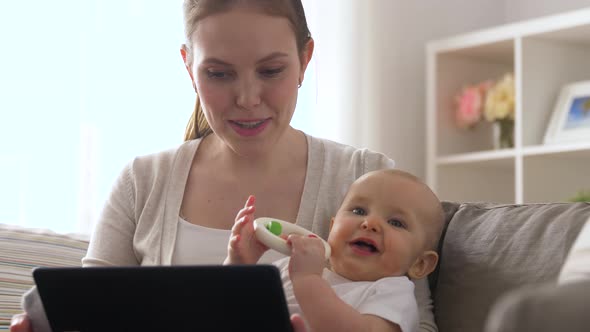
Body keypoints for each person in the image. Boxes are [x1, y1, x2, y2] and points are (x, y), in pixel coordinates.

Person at [10, 1, 438, 331]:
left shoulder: (368, 180)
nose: (248, 98)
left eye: (271, 70)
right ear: (189, 69)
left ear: (306, 59)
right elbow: (87, 310)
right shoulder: (143, 181)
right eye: (218, 74)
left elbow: (416, 321)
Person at [225, 169, 444, 332]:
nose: (370, 223)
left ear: (420, 264)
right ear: (332, 228)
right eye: (358, 210)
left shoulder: (392, 292)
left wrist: (308, 280)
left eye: (396, 223)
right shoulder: (289, 267)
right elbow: (229, 310)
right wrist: (239, 266)